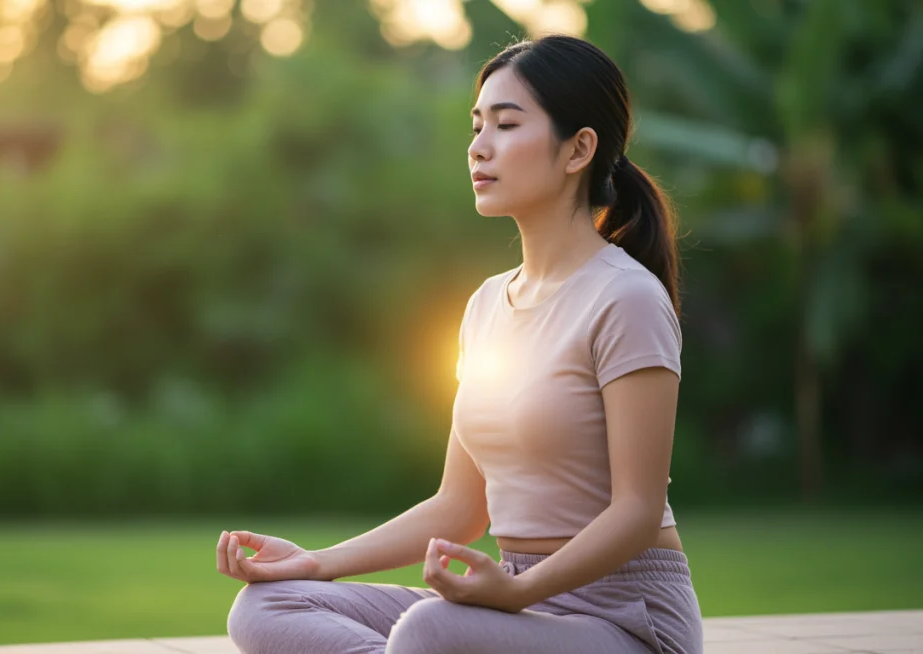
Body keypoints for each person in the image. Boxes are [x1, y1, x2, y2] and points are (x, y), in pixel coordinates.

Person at [214, 34, 703, 654]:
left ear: (579, 148)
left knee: (431, 631)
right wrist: (316, 562)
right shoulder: (484, 308)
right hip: (512, 603)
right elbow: (459, 508)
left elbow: (636, 512)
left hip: (627, 620)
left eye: (505, 124)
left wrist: (516, 596)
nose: (478, 147)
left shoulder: (625, 298)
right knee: (269, 603)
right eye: (477, 126)